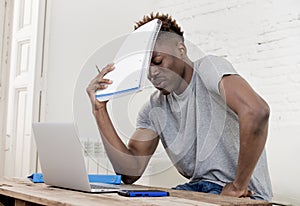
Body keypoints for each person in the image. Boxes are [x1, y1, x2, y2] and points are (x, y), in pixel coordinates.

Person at [86, 13, 272, 201]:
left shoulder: (209, 69)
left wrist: (238, 186)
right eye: (145, 67)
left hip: (245, 196)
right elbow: (129, 172)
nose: (152, 73)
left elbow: (256, 111)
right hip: (196, 189)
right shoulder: (153, 109)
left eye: (157, 61)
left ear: (180, 49)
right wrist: (99, 110)